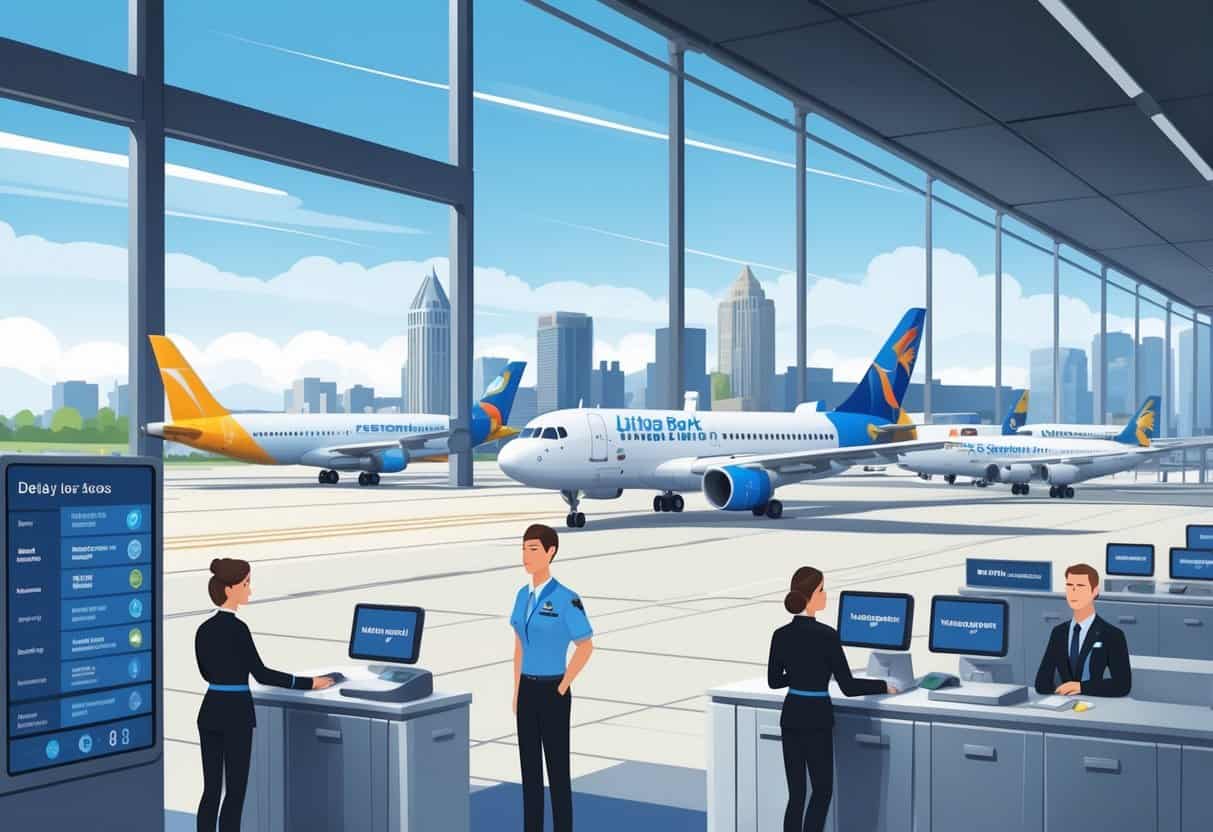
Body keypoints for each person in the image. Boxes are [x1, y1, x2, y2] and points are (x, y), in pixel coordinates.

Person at [195, 558, 336, 832]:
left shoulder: (203, 630)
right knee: (235, 791)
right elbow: (262, 674)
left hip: (210, 711)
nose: (250, 590)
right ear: (229, 589)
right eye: (246, 584)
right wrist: (310, 683)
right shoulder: (238, 629)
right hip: (236, 714)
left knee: (211, 790)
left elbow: (206, 672)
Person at [768, 567, 894, 832]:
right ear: (811, 596)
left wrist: (797, 674)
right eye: (822, 590)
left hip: (791, 716)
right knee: (822, 791)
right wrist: (883, 685)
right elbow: (848, 686)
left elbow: (774, 681)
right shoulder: (827, 635)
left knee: (797, 795)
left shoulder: (780, 634)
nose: (825, 595)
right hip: (816, 718)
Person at [509, 524, 593, 832]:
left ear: (550, 552)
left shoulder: (566, 598)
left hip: (553, 691)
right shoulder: (521, 595)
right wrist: (517, 689)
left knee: (558, 773)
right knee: (529, 773)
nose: (526, 556)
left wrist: (563, 684)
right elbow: (519, 643)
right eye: (523, 548)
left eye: (533, 549)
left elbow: (585, 645)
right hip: (528, 690)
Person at [1035, 562, 1131, 697]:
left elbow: (1122, 684)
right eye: (1069, 586)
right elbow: (1041, 683)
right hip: (1062, 703)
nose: (1073, 592)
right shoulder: (1059, 632)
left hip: (1096, 702)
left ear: (1094, 591)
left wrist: (1081, 687)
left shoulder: (1112, 635)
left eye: (1080, 586)